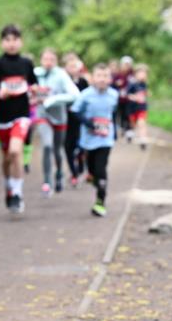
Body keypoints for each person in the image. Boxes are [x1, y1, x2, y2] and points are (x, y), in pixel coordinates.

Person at [0, 24, 36, 214]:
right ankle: (9, 186)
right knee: (7, 158)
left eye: (15, 39)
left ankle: (17, 193)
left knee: (16, 152)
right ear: (2, 43)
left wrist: (35, 91)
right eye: (7, 40)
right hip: (2, 118)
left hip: (22, 115)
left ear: (20, 42)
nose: (11, 43)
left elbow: (34, 84)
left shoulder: (26, 63)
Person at [71, 63, 119, 217]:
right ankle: (91, 176)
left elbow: (113, 114)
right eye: (99, 76)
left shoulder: (114, 95)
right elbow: (75, 111)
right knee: (91, 169)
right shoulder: (86, 95)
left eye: (105, 76)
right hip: (88, 139)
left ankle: (100, 202)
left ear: (110, 79)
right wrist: (89, 124)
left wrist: (114, 132)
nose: (102, 79)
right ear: (93, 78)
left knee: (101, 169)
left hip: (105, 139)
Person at [32, 47, 80, 195]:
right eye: (45, 59)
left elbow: (75, 95)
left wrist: (52, 100)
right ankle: (47, 181)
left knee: (57, 149)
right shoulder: (35, 73)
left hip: (59, 118)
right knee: (47, 145)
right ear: (41, 60)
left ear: (56, 61)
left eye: (52, 59)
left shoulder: (61, 75)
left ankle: (59, 172)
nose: (48, 62)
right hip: (43, 116)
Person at [62, 54, 89, 186]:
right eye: (70, 66)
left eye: (75, 66)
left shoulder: (83, 82)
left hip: (80, 120)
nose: (73, 68)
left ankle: (81, 166)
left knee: (80, 146)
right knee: (68, 147)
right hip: (66, 119)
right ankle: (73, 173)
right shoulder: (62, 82)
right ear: (65, 68)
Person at [126, 63, 149, 149]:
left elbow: (144, 94)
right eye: (141, 73)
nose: (143, 75)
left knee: (141, 123)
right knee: (133, 123)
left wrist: (145, 96)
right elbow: (127, 95)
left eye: (145, 73)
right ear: (136, 74)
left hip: (142, 108)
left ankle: (143, 139)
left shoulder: (144, 84)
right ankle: (130, 132)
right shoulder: (132, 84)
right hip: (132, 108)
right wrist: (135, 97)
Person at [113, 55, 134, 141]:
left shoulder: (132, 75)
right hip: (119, 99)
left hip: (128, 99)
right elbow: (113, 85)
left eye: (128, 64)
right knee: (120, 114)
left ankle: (129, 130)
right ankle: (122, 128)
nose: (126, 66)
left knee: (128, 114)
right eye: (125, 64)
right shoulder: (118, 75)